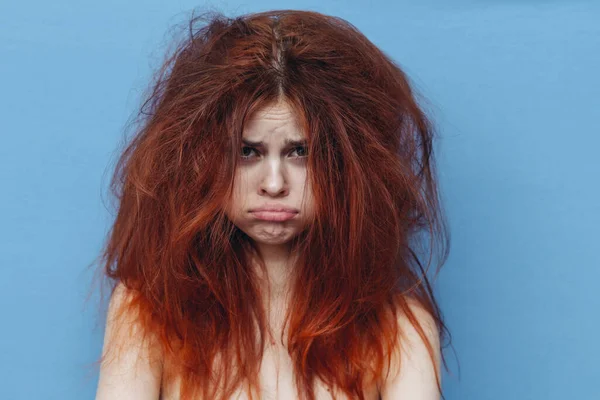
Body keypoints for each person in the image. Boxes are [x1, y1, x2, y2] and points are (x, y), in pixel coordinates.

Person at [93, 8, 452, 400]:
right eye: (248, 152)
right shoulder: (148, 314)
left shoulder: (400, 329)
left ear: (349, 166)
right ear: (199, 161)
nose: (274, 184)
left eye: (300, 152)